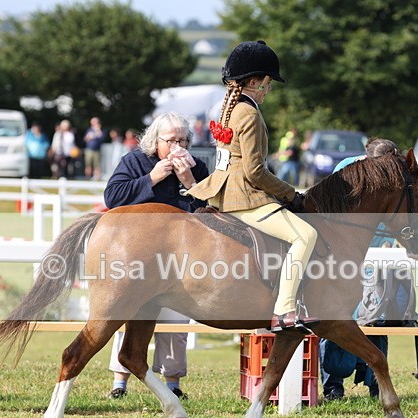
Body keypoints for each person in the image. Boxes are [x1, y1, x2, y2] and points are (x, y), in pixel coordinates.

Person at [188, 40, 318, 332]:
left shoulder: (228, 107)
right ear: (255, 82)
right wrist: (290, 194)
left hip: (219, 191)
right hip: (243, 196)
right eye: (268, 83)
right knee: (305, 236)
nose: (269, 89)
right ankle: (285, 309)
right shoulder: (250, 113)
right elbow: (255, 171)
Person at [104, 112, 209, 399]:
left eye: (182, 140)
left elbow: (212, 207)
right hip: (140, 254)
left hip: (181, 257)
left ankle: (173, 383)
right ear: (156, 140)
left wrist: (190, 182)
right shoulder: (135, 161)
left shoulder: (196, 166)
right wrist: (151, 178)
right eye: (171, 140)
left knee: (176, 319)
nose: (177, 146)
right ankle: (119, 382)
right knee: (129, 313)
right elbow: (113, 197)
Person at [319, 138, 408, 400]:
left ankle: (375, 382)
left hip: (381, 250)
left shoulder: (397, 175)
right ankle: (333, 383)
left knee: (377, 315)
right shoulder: (347, 170)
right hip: (345, 252)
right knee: (338, 317)